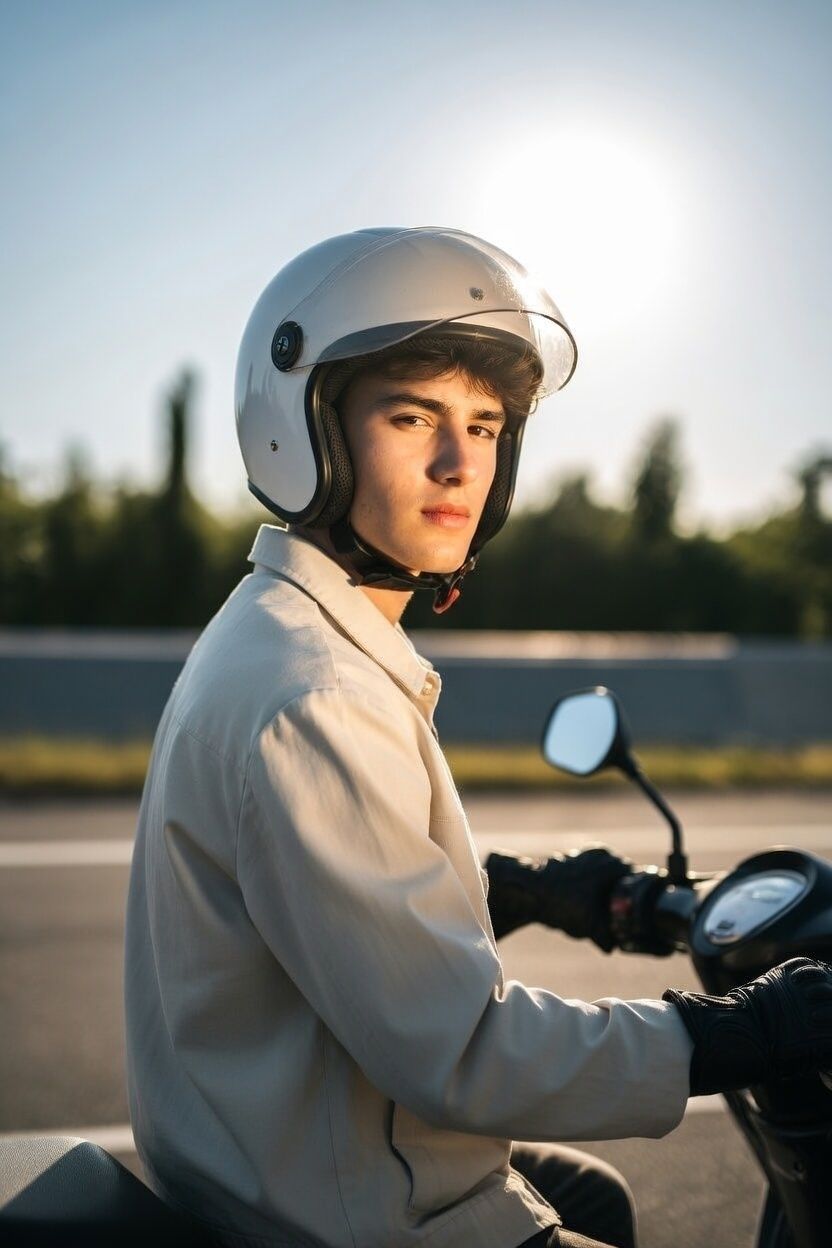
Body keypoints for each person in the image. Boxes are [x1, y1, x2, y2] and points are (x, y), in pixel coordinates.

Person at [124, 227, 832, 1248]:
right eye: (411, 417)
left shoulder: (276, 629)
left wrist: (519, 888)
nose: (460, 463)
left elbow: (323, 904)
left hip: (270, 1153)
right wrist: (743, 1033)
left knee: (588, 1194)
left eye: (487, 425)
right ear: (307, 430)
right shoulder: (316, 695)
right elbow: (462, 1052)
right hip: (343, 1210)